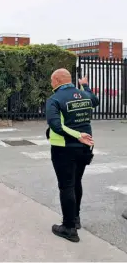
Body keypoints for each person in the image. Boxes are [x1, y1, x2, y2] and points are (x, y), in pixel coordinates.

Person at [46, 68, 99, 243]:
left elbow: (56, 126)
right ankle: (75, 219)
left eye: (52, 80)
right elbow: (95, 101)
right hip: (85, 148)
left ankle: (69, 228)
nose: (51, 83)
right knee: (76, 182)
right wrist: (86, 86)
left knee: (66, 186)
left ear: (57, 80)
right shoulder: (83, 95)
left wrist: (77, 136)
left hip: (64, 148)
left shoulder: (54, 99)